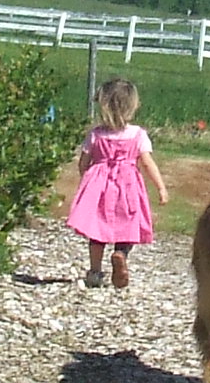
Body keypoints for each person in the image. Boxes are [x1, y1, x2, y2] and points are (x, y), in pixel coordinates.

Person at [66, 78, 168, 287]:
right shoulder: (138, 135)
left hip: (100, 187)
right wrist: (161, 188)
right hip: (128, 186)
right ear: (132, 106)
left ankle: (95, 272)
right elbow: (148, 163)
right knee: (128, 224)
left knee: (97, 229)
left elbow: (84, 162)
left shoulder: (96, 134)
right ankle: (121, 253)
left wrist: (86, 180)